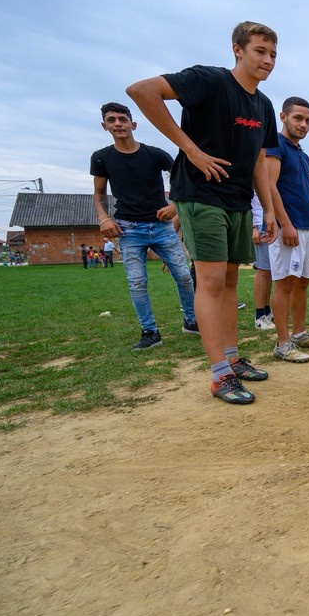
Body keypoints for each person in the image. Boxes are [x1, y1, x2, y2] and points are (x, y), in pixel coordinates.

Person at [126, 21, 279, 404]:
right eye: (260, 51)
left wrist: (269, 209)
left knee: (229, 282)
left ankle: (231, 358)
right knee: (210, 282)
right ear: (237, 50)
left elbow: (260, 159)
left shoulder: (263, 104)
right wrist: (190, 149)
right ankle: (219, 375)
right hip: (201, 194)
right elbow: (142, 91)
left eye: (273, 54)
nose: (268, 60)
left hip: (239, 200)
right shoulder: (208, 80)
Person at [90, 101, 199, 351]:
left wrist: (175, 205)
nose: (117, 123)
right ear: (104, 126)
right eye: (111, 120)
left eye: (122, 119)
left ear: (133, 124)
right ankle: (150, 332)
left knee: (183, 275)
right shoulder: (102, 158)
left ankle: (192, 321)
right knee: (137, 282)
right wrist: (103, 218)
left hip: (161, 226)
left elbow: (183, 176)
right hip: (128, 229)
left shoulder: (155, 154)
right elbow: (98, 194)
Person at [265, 96, 309, 363]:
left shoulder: (302, 154)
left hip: (306, 226)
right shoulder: (274, 145)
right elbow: (270, 187)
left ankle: (300, 333)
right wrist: (285, 224)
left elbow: (307, 192)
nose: (303, 124)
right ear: (283, 117)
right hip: (288, 227)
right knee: (285, 283)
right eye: (298, 118)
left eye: (308, 120)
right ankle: (282, 343)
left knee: (303, 282)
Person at [249, 193, 275, 329]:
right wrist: (253, 227)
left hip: (269, 223)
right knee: (263, 269)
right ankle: (259, 316)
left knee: (269, 270)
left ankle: (266, 311)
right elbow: (247, 200)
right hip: (260, 224)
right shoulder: (253, 174)